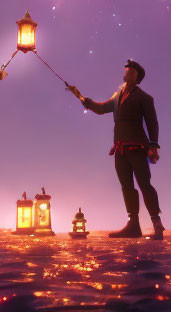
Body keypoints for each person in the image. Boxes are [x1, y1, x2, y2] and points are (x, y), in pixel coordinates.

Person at [68, 60, 164, 240]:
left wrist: (153, 146)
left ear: (137, 77)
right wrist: (81, 97)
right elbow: (101, 108)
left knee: (145, 185)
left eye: (131, 71)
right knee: (127, 187)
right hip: (120, 149)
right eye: (127, 70)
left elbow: (152, 123)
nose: (127, 72)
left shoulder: (144, 98)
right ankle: (133, 225)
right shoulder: (117, 96)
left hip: (137, 147)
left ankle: (157, 225)